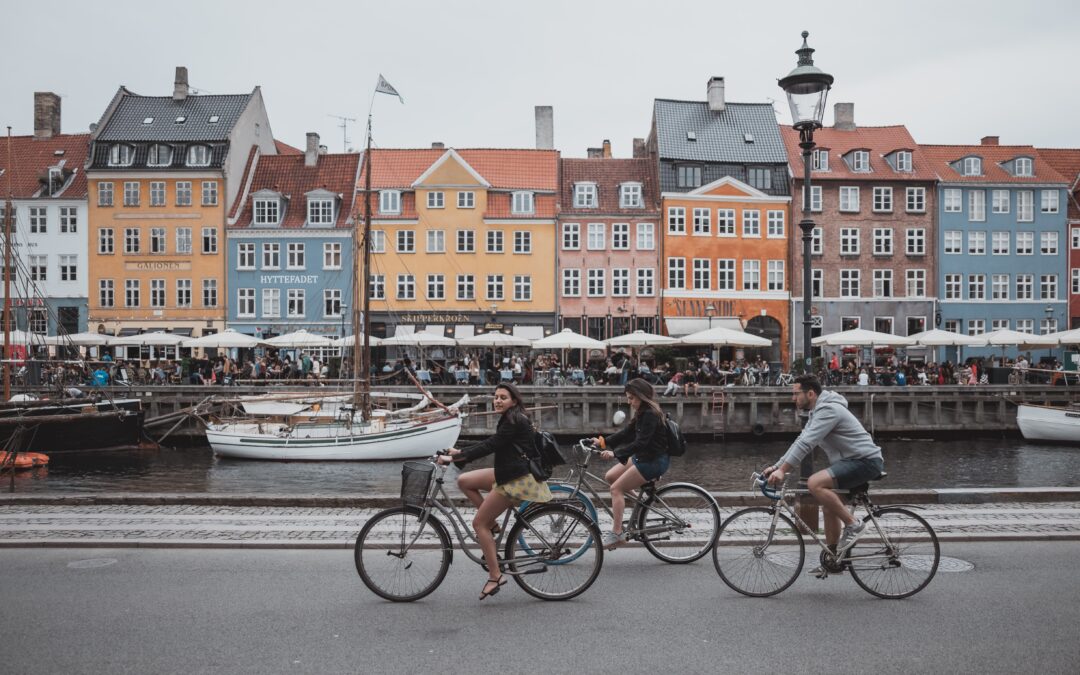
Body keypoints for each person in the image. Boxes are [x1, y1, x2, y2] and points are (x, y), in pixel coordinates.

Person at [438, 383, 551, 600]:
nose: (498, 400)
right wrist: (460, 452)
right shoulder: (511, 417)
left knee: (478, 523)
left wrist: (455, 457)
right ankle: (494, 524)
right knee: (464, 480)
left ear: (514, 401)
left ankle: (495, 575)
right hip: (508, 471)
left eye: (503, 397)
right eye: (496, 396)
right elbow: (492, 443)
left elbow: (491, 445)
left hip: (517, 479)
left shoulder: (514, 420)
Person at [764, 376, 884, 577]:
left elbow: (806, 444)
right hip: (852, 461)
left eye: (796, 393)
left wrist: (783, 471)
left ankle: (854, 525)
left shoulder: (828, 410)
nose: (793, 398)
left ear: (810, 393)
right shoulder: (817, 412)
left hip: (865, 461)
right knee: (829, 505)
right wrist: (776, 466)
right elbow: (800, 440)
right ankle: (833, 559)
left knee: (814, 483)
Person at [590, 378, 670, 549]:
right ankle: (643, 505)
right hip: (643, 457)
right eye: (628, 398)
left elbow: (640, 443)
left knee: (616, 489)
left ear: (641, 396)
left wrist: (615, 453)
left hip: (653, 461)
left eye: (631, 398)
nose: (629, 402)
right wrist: (602, 442)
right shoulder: (642, 411)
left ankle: (617, 533)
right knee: (610, 476)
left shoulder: (650, 414)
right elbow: (627, 433)